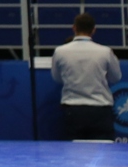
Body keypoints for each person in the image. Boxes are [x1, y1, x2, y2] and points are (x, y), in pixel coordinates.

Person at [51, 13, 121, 141]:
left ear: (74, 28)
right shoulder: (105, 51)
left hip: (73, 108)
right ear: (94, 30)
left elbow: (57, 77)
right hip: (100, 108)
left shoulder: (60, 51)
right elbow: (116, 77)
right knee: (104, 149)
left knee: (74, 149)